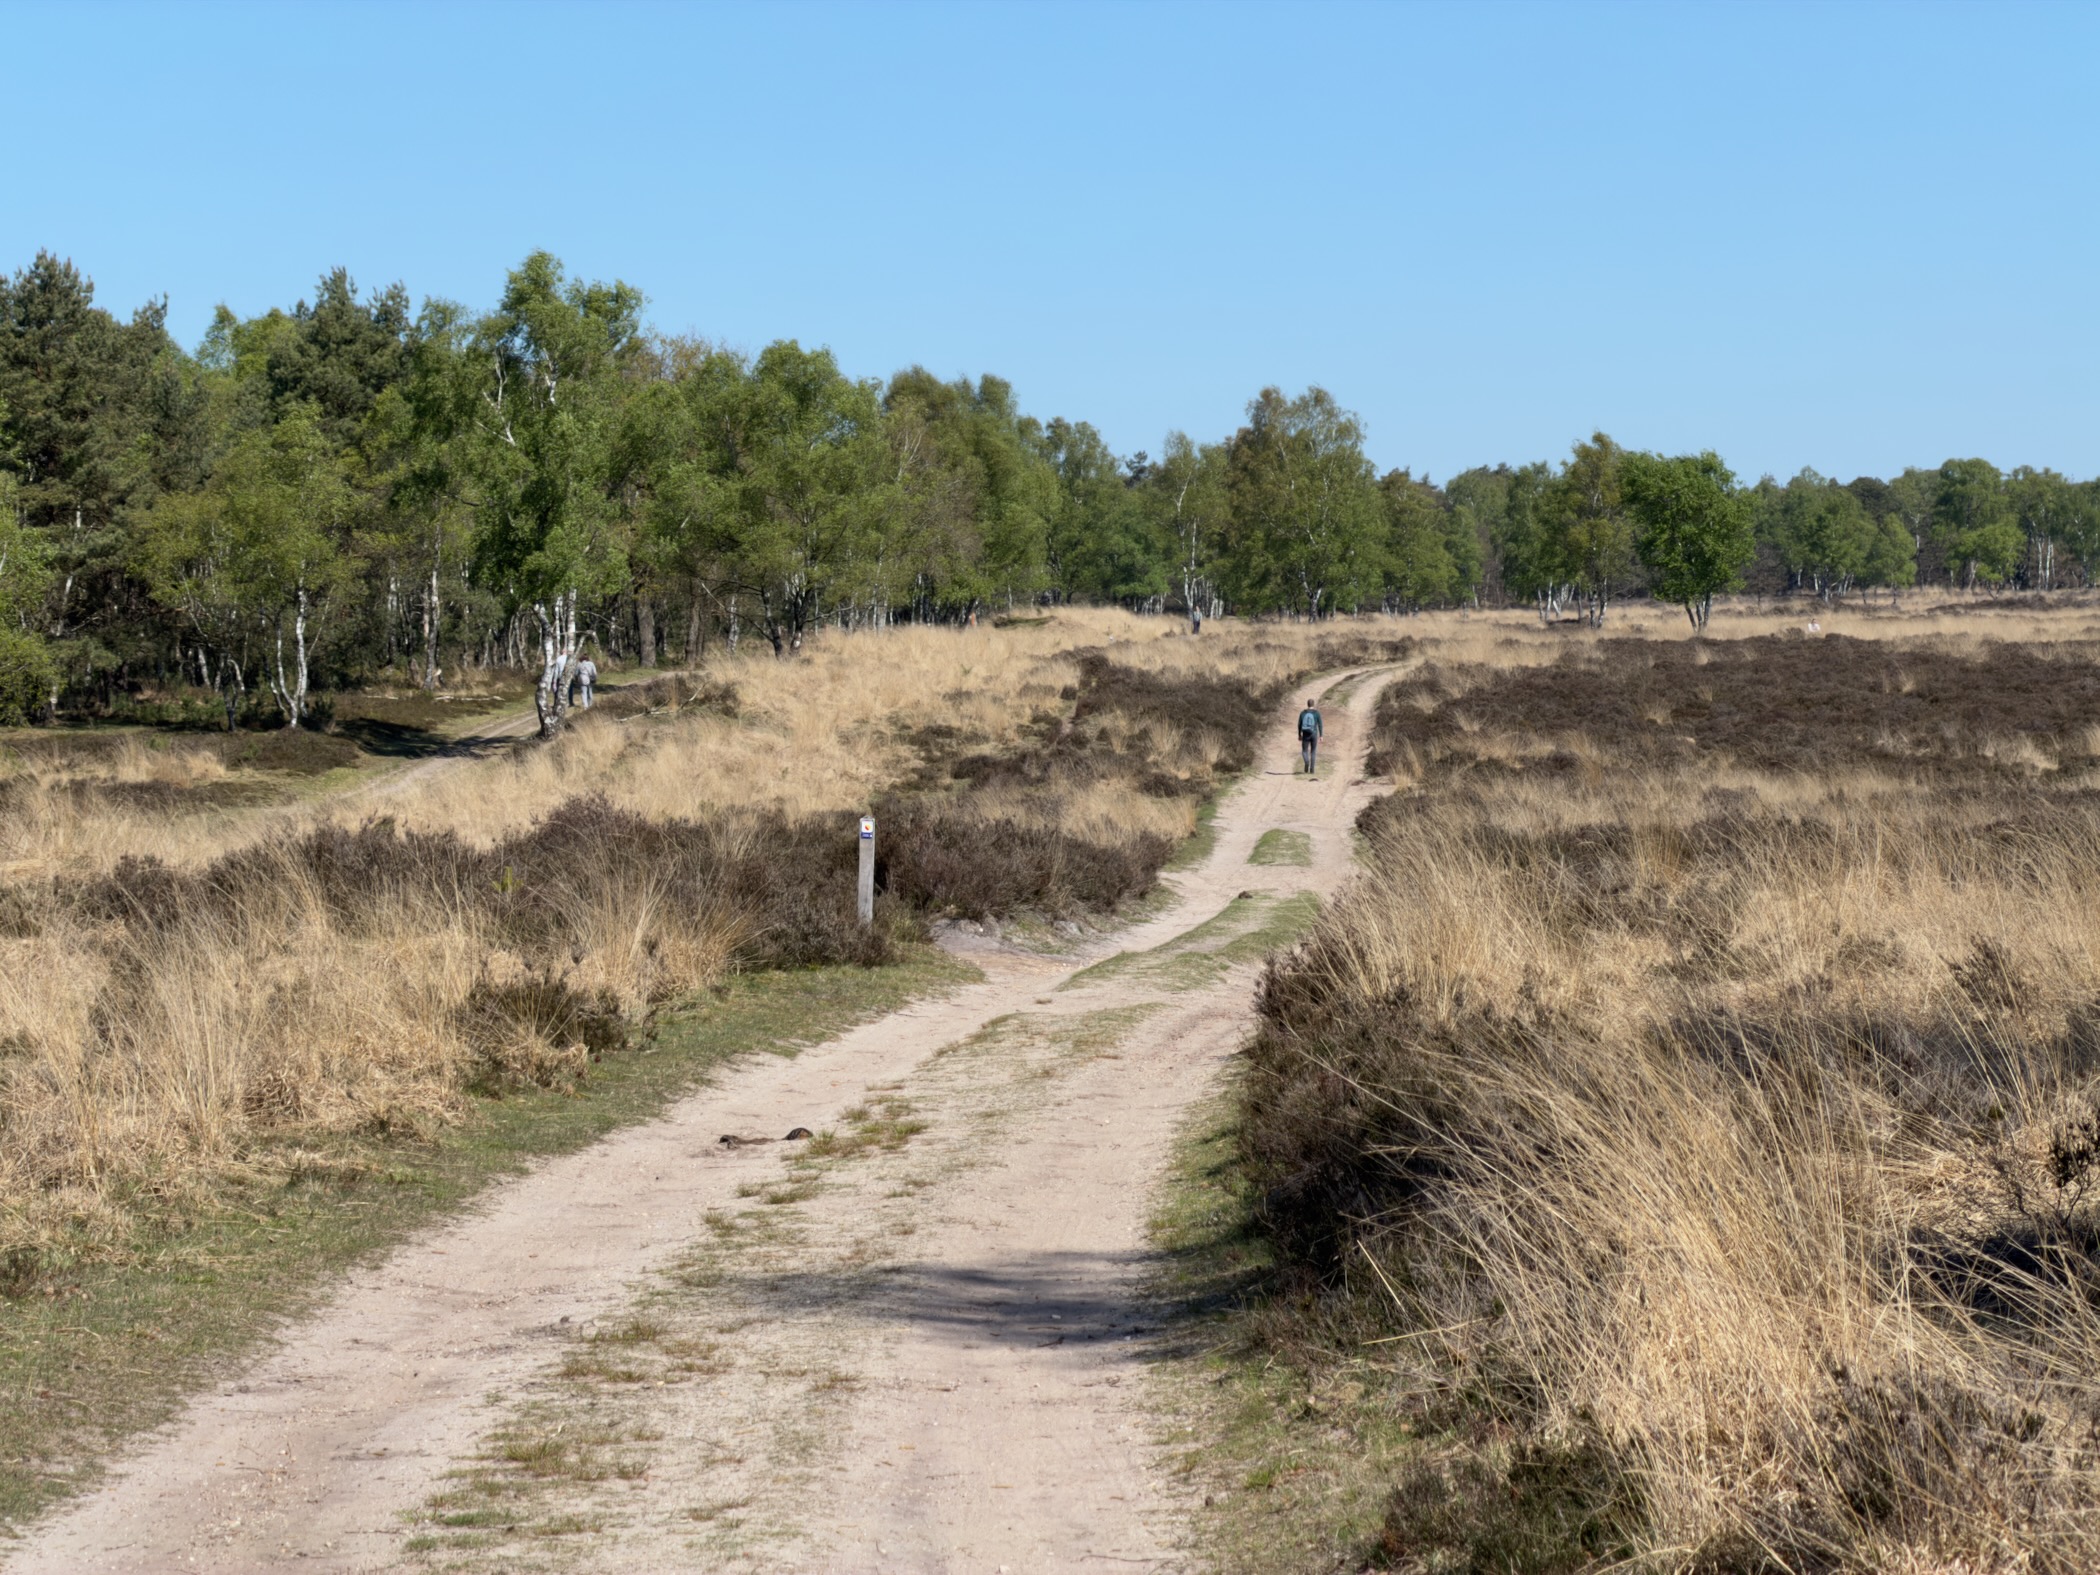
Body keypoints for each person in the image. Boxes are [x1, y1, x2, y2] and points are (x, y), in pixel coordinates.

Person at [1297, 698, 1322, 777]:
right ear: (1313, 704)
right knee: (1313, 751)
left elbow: (1299, 725)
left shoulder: (1303, 713)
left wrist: (1299, 734)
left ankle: (1307, 762)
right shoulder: (1316, 713)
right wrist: (1321, 735)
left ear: (1307, 704)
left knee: (1304, 751)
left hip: (1305, 734)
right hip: (1314, 734)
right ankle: (1312, 769)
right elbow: (1320, 724)